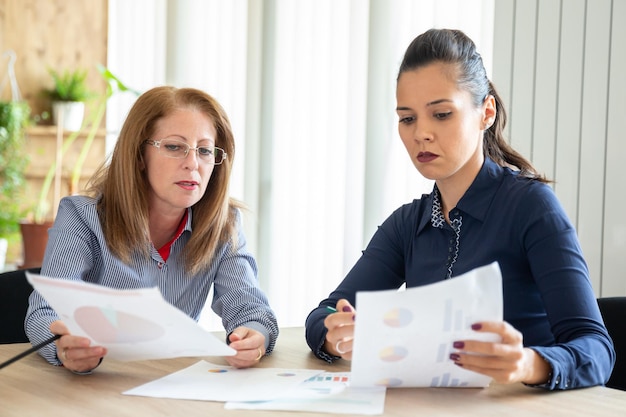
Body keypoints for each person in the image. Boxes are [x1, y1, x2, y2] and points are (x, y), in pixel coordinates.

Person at [305, 28, 615, 390]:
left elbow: (597, 349)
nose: (421, 133)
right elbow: (324, 312)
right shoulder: (407, 224)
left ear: (485, 112)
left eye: (440, 114)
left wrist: (529, 364)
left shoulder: (532, 207)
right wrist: (334, 334)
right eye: (407, 118)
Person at [26, 86, 279, 373]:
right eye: (174, 147)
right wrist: (63, 345)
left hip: (168, 387)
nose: (192, 163)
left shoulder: (224, 225)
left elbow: (253, 311)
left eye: (205, 150)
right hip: (93, 387)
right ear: (138, 155)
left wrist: (254, 336)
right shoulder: (82, 217)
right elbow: (44, 312)